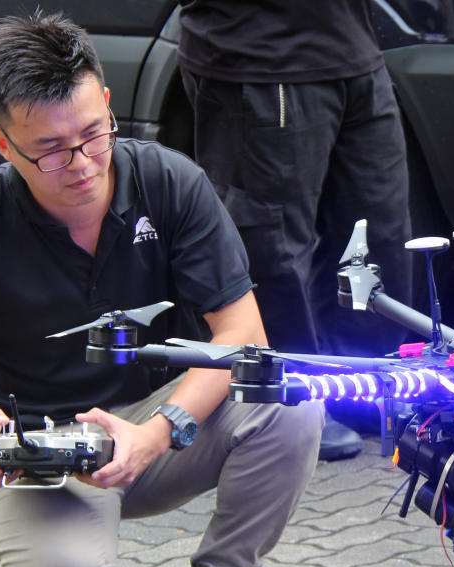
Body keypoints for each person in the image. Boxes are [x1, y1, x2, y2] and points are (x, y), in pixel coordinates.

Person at [0, 11, 322, 567]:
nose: (80, 163)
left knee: (287, 395)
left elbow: (241, 333)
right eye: (48, 149)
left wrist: (159, 433)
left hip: (160, 421)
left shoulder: (171, 183)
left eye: (92, 134)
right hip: (47, 447)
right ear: (1, 142)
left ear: (105, 101)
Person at [177, 0, 419, 461]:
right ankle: (292, 401)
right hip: (262, 54)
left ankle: (364, 390)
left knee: (378, 231)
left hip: (352, 47)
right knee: (275, 242)